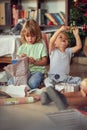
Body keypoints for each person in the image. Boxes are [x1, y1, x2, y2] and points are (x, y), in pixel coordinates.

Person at [8, 19, 48, 89]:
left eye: (32, 36)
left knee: (33, 83)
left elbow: (45, 62)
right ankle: (25, 86)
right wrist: (19, 58)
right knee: (10, 82)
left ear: (37, 35)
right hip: (24, 72)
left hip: (37, 71)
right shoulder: (22, 47)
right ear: (24, 35)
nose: (30, 39)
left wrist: (34, 62)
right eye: (27, 36)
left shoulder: (41, 45)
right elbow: (15, 62)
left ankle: (26, 86)